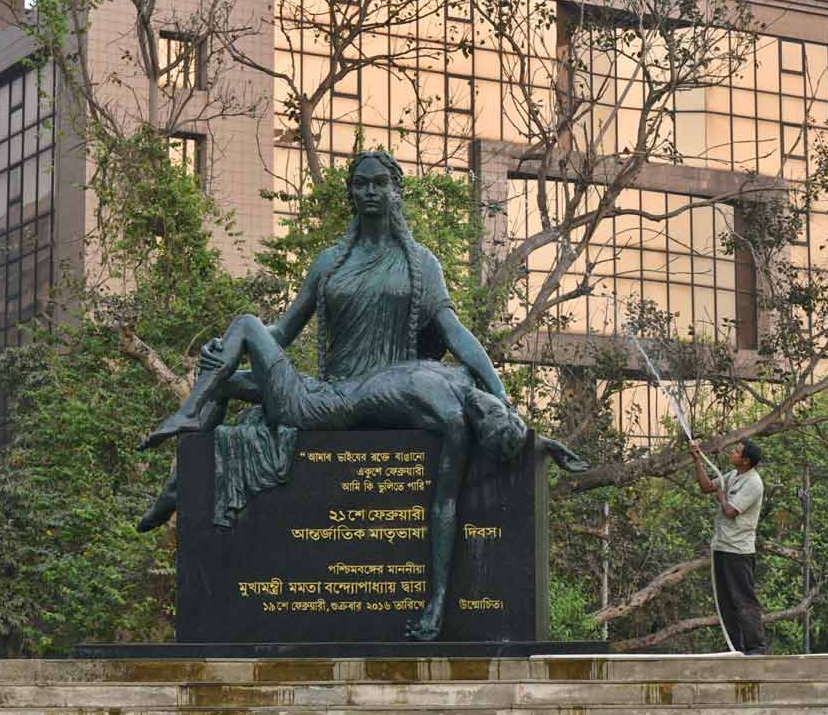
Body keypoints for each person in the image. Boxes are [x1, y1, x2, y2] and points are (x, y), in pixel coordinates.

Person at [137, 150, 588, 640]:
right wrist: (223, 350)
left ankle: (184, 452)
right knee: (219, 379)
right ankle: (182, 484)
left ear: (397, 191)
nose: (370, 191)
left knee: (235, 353)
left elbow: (456, 334)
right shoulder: (330, 263)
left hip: (380, 398)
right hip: (331, 387)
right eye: (361, 184)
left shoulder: (422, 265)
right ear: (351, 193)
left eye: (379, 183)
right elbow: (283, 332)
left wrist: (500, 395)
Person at [690, 438, 767, 655]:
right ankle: (735, 648)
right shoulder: (733, 475)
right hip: (722, 547)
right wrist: (697, 460)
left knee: (744, 600)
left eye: (737, 451)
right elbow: (707, 487)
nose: (732, 452)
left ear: (746, 460)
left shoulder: (753, 483)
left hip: (738, 551)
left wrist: (722, 497)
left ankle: (756, 648)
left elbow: (731, 511)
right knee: (726, 603)